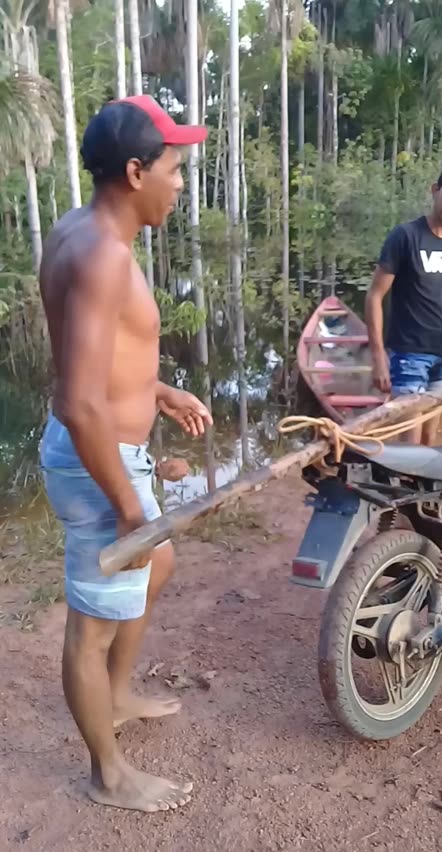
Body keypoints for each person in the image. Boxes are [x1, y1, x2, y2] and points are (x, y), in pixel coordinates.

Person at [39, 95, 212, 814]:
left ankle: (115, 696)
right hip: (96, 459)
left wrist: (157, 389)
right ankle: (107, 775)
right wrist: (127, 507)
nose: (181, 183)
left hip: (105, 447)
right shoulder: (103, 256)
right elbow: (80, 402)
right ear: (137, 172)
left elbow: (92, 358)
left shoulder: (78, 230)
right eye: (175, 168)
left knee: (157, 561)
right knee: (91, 626)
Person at [366, 161, 442, 445]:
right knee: (411, 441)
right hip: (409, 353)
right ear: (435, 191)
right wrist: (379, 357)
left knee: (430, 438)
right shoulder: (405, 236)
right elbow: (375, 296)